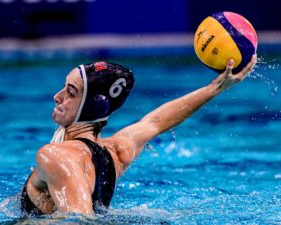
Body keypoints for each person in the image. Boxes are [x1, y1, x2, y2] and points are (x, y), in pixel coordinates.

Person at [20, 55, 257, 216]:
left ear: (92, 106)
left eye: (70, 92)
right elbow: (156, 122)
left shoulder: (57, 157)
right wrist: (215, 88)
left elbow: (80, 220)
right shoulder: (115, 153)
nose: (57, 96)